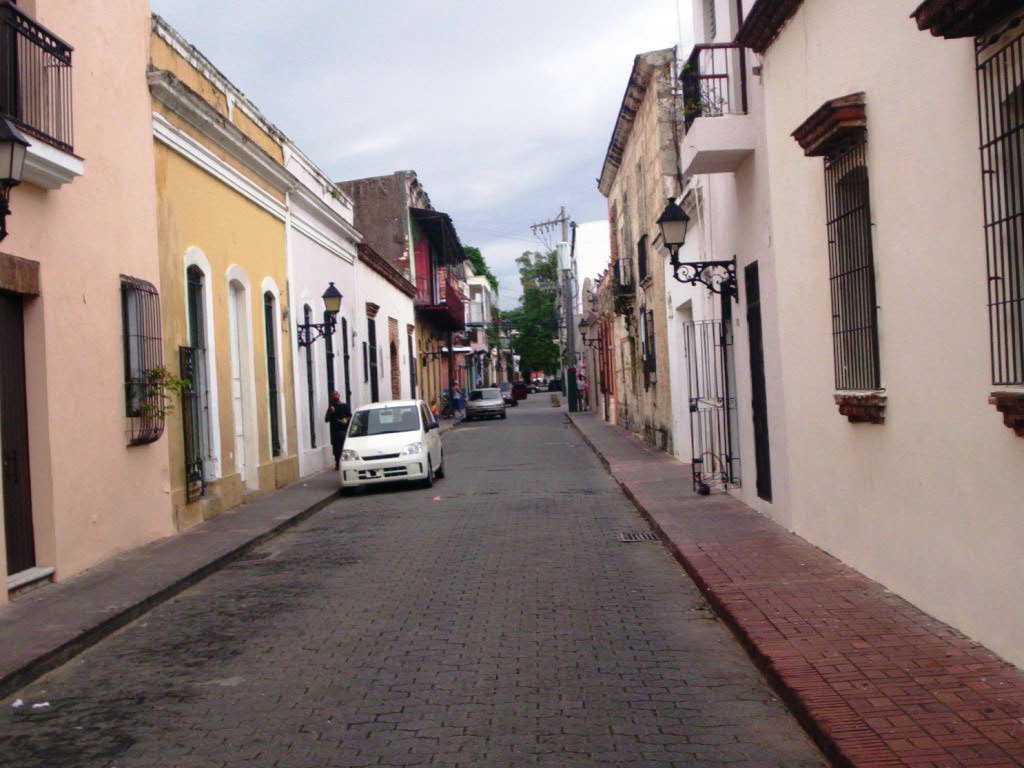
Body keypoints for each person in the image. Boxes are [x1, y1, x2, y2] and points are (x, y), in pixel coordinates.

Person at [324, 391, 351, 470]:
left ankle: (345, 463)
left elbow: (350, 417)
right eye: (333, 395)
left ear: (339, 395)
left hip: (344, 430)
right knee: (336, 449)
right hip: (335, 431)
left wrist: (345, 420)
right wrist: (331, 412)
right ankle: (338, 464)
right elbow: (326, 419)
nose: (335, 396)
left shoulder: (345, 406)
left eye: (336, 394)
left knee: (344, 447)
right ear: (332, 397)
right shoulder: (331, 407)